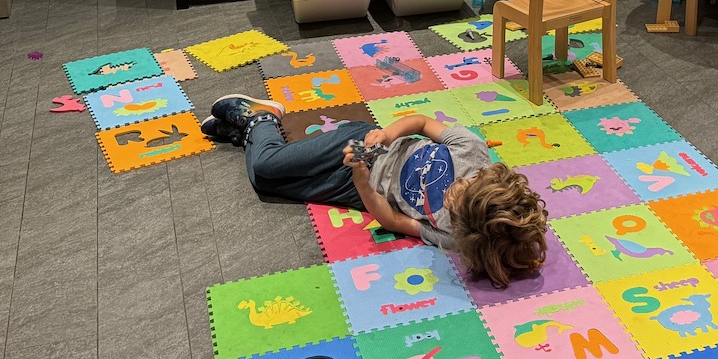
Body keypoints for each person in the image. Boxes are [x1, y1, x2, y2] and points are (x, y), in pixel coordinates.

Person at [202, 94, 549, 288]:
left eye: (451, 206)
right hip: (365, 145)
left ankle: (244, 135)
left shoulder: (455, 235)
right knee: (267, 167)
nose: (450, 195)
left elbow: (396, 221)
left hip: (359, 186)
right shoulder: (471, 150)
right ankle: (261, 118)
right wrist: (385, 135)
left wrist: (362, 183)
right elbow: (421, 122)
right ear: (485, 177)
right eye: (462, 186)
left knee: (266, 184)